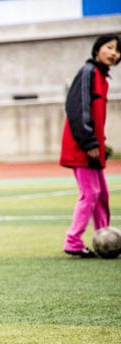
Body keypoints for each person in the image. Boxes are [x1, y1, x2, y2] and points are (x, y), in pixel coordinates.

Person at [60, 33, 120, 258]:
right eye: (110, 47)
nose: (114, 53)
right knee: (90, 193)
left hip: (94, 145)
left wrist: (99, 143)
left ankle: (102, 236)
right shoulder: (89, 72)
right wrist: (88, 141)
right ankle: (73, 241)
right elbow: (77, 107)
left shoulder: (102, 78)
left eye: (118, 50)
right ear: (97, 50)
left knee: (102, 193)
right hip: (82, 144)